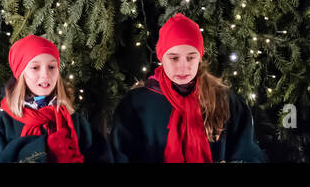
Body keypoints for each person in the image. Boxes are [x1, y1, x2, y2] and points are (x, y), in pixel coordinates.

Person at [110, 13, 265, 162]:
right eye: (174, 58)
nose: (183, 67)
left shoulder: (226, 101)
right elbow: (120, 156)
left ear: (200, 57)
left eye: (190, 57)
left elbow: (249, 154)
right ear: (161, 57)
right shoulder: (136, 104)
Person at [0, 35, 113, 162]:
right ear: (21, 74)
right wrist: (40, 149)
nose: (46, 74)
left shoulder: (75, 122)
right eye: (35, 67)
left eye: (52, 67)